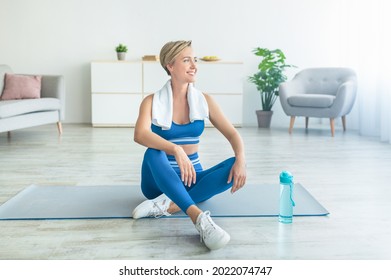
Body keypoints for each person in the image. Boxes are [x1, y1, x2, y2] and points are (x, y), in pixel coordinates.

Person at [132, 40, 246, 250]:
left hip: (191, 177)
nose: (194, 65)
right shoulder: (151, 101)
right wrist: (175, 149)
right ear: (170, 66)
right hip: (157, 183)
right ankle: (198, 217)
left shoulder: (204, 100)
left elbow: (232, 133)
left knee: (233, 165)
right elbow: (139, 135)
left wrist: (241, 159)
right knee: (153, 152)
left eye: (194, 59)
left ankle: (168, 206)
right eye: (186, 60)